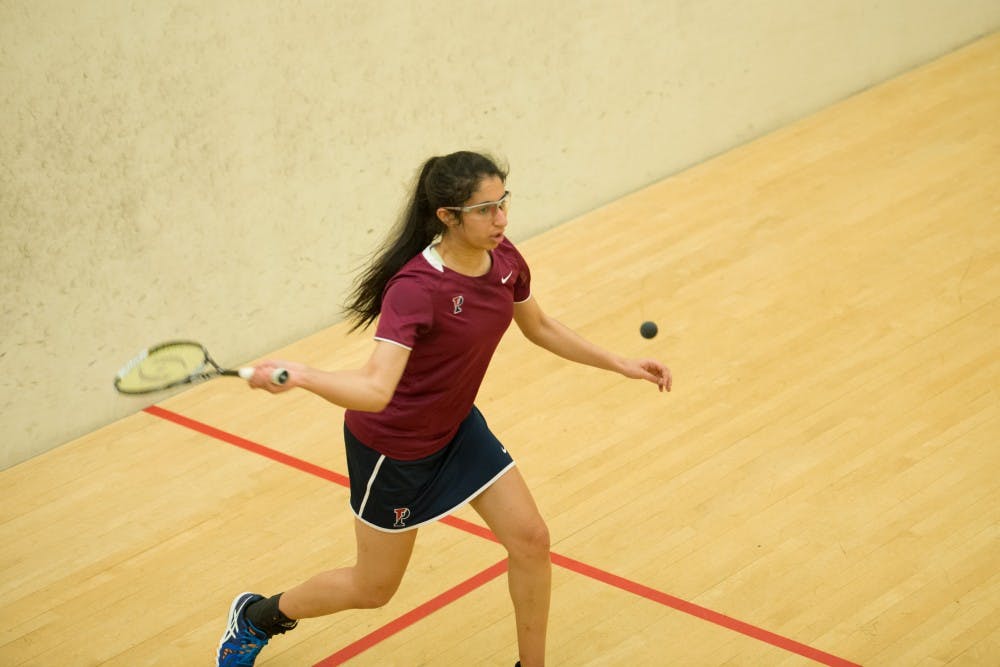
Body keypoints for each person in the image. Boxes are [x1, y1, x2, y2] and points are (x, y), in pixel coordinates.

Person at [216, 150, 672, 667]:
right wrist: (302, 375)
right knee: (374, 589)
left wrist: (621, 362)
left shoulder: (504, 261)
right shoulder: (416, 290)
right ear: (447, 217)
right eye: (484, 209)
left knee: (531, 540)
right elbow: (374, 390)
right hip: (395, 450)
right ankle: (257, 617)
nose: (501, 219)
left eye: (503, 203)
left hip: (457, 430)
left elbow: (539, 327)